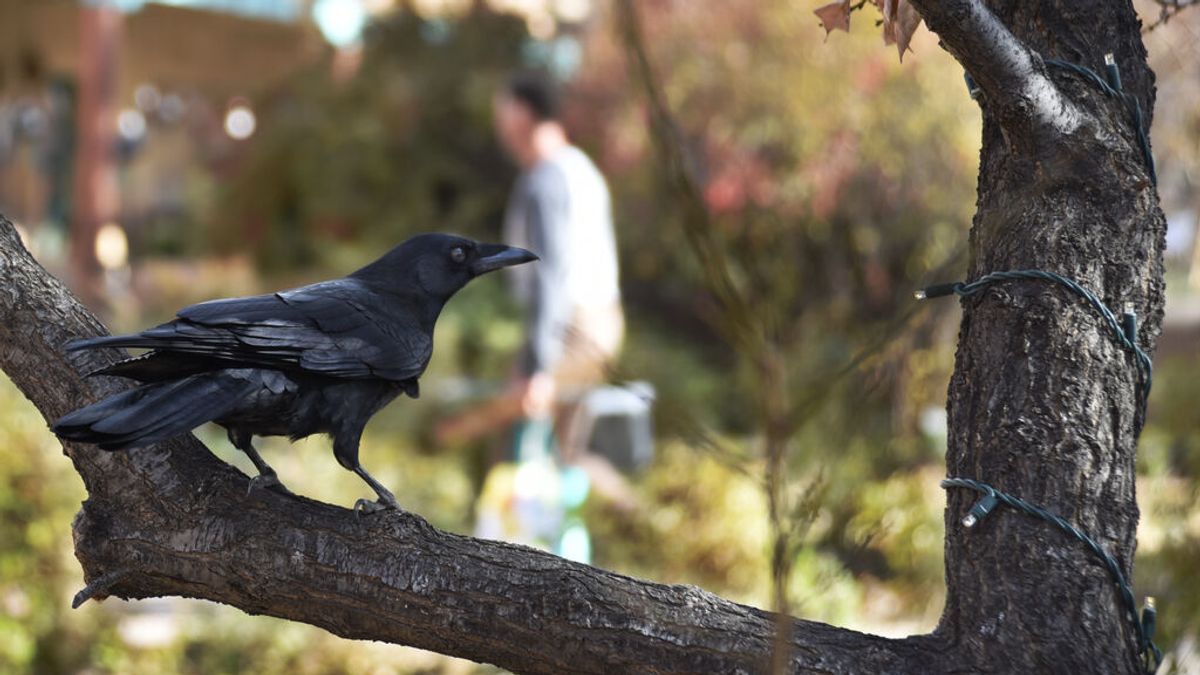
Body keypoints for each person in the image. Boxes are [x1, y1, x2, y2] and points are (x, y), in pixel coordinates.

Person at [493, 70, 624, 454]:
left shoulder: (545, 179)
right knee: (567, 455)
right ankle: (636, 511)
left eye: (500, 111)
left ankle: (639, 511)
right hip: (600, 324)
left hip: (569, 328)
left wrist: (537, 366)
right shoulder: (579, 167)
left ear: (520, 112)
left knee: (522, 451)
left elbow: (548, 272)